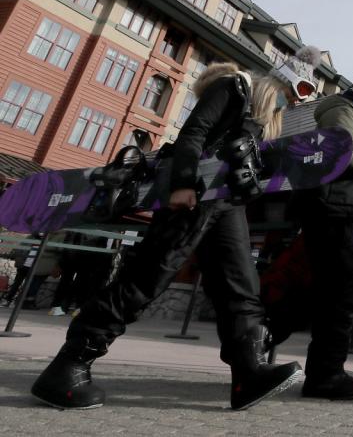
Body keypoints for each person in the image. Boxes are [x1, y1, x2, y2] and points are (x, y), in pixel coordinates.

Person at [31, 46, 325, 411]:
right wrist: (183, 182)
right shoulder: (234, 88)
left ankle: (248, 373)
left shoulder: (260, 114)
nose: (291, 104)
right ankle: (68, 366)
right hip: (192, 196)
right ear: (278, 82)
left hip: (225, 202)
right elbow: (194, 132)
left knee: (241, 285)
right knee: (147, 277)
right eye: (292, 94)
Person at [292, 73, 353, 400]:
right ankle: (324, 376)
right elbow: (341, 152)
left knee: (336, 290)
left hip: (340, 210)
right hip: (331, 210)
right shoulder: (342, 111)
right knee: (340, 290)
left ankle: (325, 372)